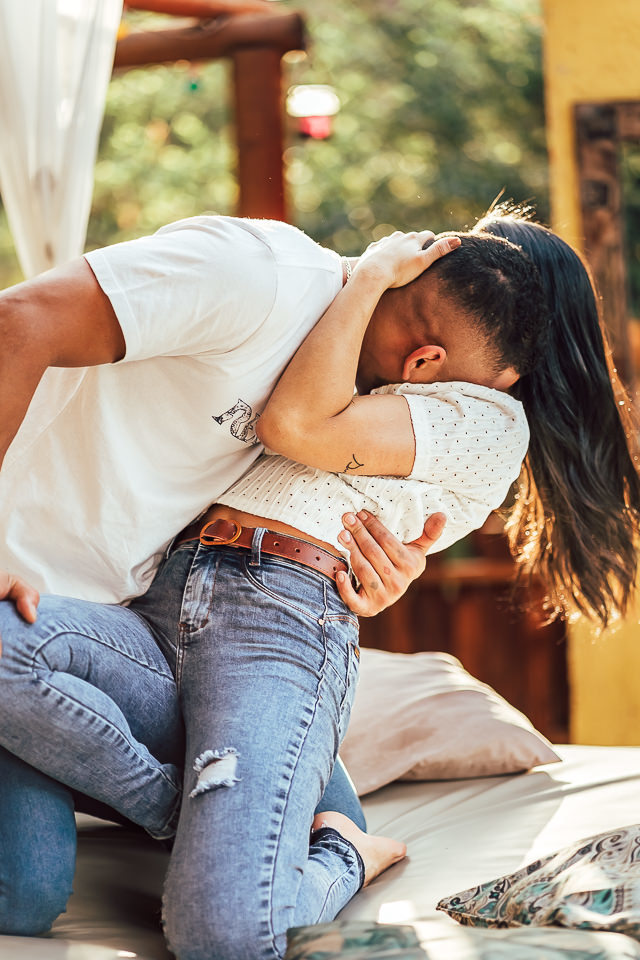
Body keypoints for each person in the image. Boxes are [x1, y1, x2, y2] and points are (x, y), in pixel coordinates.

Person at [0, 225, 545, 960]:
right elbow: (18, 319)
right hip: (114, 602)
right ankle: (201, 813)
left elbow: (309, 460)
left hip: (228, 618)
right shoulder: (260, 278)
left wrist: (374, 576)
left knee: (222, 932)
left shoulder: (396, 403)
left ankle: (339, 853)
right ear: (427, 360)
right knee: (25, 898)